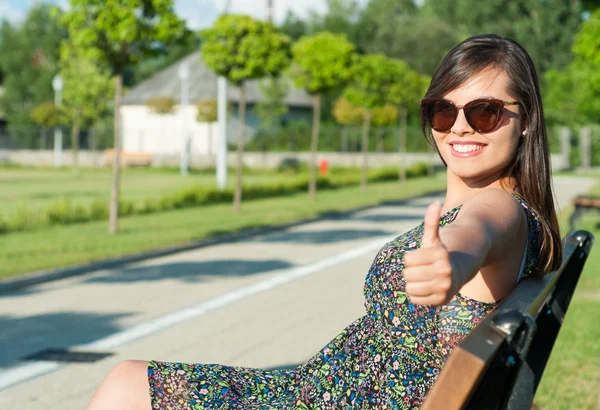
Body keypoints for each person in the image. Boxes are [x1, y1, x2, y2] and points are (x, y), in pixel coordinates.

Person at [87, 33, 562, 410]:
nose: (459, 126)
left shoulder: (501, 210)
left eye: (485, 111)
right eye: (444, 109)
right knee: (130, 380)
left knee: (129, 386)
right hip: (313, 393)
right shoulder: (505, 210)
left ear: (524, 120)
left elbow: (476, 233)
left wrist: (451, 263)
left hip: (323, 401)